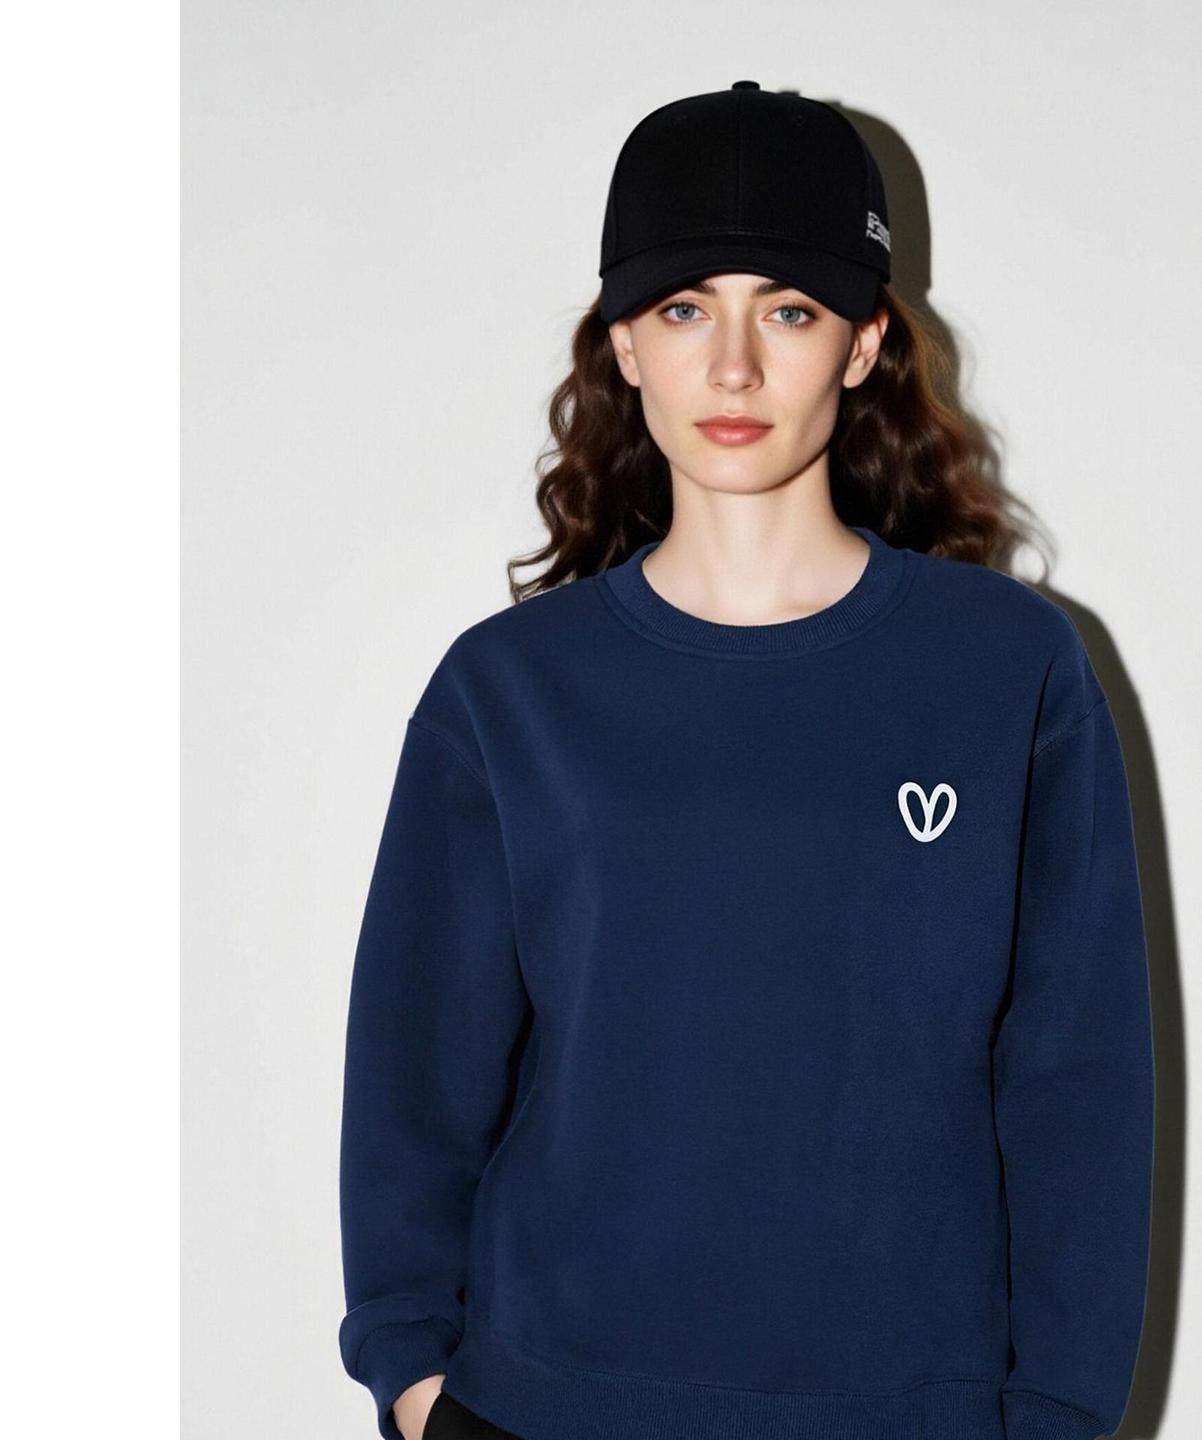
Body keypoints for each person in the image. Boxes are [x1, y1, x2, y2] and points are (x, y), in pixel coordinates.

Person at [337, 81, 1155, 1440]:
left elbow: (1079, 1083)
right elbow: (414, 1072)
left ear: (862, 343)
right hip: (550, 1407)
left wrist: (1058, 1414)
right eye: (682, 310)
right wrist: (420, 1384)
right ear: (623, 346)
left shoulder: (1007, 671)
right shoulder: (511, 691)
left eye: (787, 311)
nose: (731, 369)